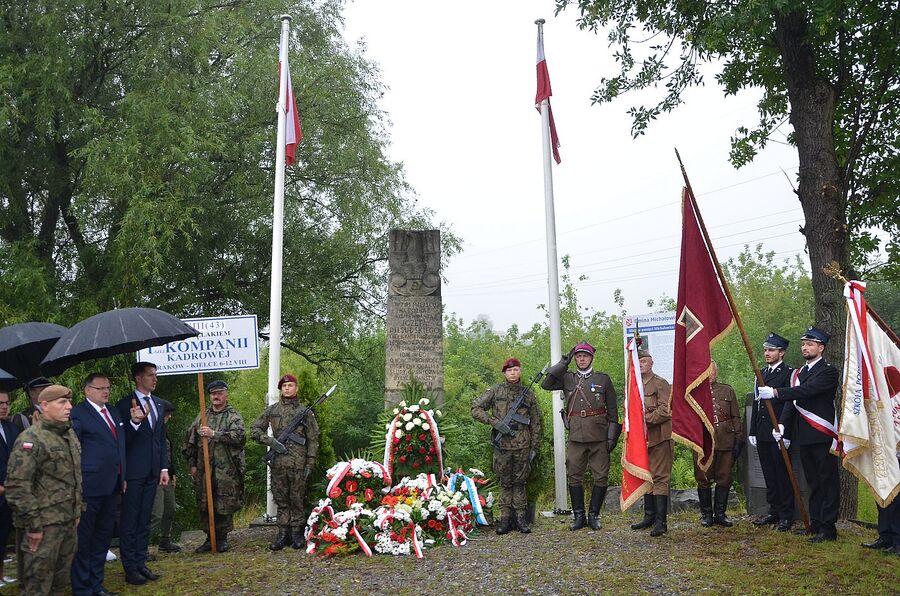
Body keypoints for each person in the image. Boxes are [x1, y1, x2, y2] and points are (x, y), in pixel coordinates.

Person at [758, 326, 841, 542]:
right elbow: (793, 404)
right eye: (804, 344)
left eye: (810, 344)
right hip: (803, 435)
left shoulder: (828, 371)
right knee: (813, 482)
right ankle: (814, 523)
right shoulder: (799, 373)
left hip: (822, 435)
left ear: (821, 348)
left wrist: (776, 392)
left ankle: (828, 529)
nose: (805, 347)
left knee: (827, 482)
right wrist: (783, 427)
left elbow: (807, 391)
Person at [5, 385, 82, 595]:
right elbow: (16, 486)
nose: (69, 407)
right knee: (36, 586)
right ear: (45, 406)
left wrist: (76, 512)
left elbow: (73, 477)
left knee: (60, 582)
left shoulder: (69, 435)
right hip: (42, 527)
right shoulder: (31, 439)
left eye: (69, 402)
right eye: (62, 402)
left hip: (66, 523)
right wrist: (34, 525)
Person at [542, 342, 620, 531]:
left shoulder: (603, 379)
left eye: (585, 356)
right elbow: (546, 384)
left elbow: (613, 411)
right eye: (578, 356)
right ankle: (578, 516)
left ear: (591, 357)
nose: (582, 359)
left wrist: (612, 438)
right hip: (576, 436)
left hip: (599, 435)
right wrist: (563, 363)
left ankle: (593, 515)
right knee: (574, 476)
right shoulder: (567, 378)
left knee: (601, 476)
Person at [472, 357, 543, 534]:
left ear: (520, 372)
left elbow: (536, 421)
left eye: (516, 369)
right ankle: (504, 519)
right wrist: (494, 422)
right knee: (505, 483)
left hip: (522, 445)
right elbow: (476, 408)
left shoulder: (528, 393)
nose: (513, 373)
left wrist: (534, 446)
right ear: (504, 373)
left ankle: (520, 518)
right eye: (509, 370)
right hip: (502, 445)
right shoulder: (495, 391)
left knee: (520, 482)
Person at [70, 373, 126, 596]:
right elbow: (74, 450)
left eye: (108, 387)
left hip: (112, 485)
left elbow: (120, 446)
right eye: (101, 388)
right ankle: (82, 588)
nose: (106, 391)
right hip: (89, 486)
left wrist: (123, 477)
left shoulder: (113, 412)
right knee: (84, 540)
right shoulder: (77, 414)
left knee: (103, 538)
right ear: (87, 390)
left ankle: (97, 584)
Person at [251, 373, 320, 550]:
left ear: (296, 388)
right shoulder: (272, 410)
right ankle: (282, 534)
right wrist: (270, 441)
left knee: (296, 498)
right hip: (278, 463)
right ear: (281, 389)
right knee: (281, 498)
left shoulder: (305, 412)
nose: (287, 388)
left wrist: (310, 462)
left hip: (299, 464)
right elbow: (255, 429)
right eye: (284, 386)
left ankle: (297, 533)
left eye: (290, 385)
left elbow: (313, 439)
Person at [115, 362, 169, 585]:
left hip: (153, 472)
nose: (155, 379)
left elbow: (161, 440)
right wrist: (134, 422)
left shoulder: (158, 403)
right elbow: (120, 439)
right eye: (150, 375)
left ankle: (140, 562)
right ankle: (130, 568)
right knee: (130, 521)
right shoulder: (123, 404)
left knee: (145, 520)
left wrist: (164, 468)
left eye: (156, 375)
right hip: (133, 473)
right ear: (138, 378)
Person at [184, 380, 246, 553]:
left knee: (223, 502)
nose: (216, 396)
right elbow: (190, 440)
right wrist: (192, 465)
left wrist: (214, 434)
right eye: (213, 394)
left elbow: (239, 438)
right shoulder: (203, 415)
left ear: (226, 394)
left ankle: (222, 538)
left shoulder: (233, 416)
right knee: (205, 501)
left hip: (225, 469)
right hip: (205, 469)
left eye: (219, 393)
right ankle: (209, 537)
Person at [749, 332, 796, 531]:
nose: (767, 353)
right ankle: (773, 511)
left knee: (782, 473)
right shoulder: (762, 374)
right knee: (769, 472)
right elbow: (757, 402)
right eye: (766, 350)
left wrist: (784, 429)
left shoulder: (789, 374)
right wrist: (752, 430)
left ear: (781, 353)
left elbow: (790, 403)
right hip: (762, 431)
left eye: (771, 350)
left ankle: (786, 514)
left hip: (779, 431)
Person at [692, 361, 743, 527]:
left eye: (711, 371)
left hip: (726, 440)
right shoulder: (694, 392)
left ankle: (720, 513)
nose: (709, 375)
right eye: (705, 371)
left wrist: (738, 439)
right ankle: (706, 514)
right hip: (703, 442)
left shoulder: (727, 390)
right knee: (703, 477)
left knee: (725, 477)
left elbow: (735, 416)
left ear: (716, 372)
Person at [630, 350, 673, 537]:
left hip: (659, 438)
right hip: (642, 440)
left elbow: (666, 410)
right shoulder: (634, 385)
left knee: (659, 477)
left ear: (651, 363)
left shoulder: (660, 383)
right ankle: (649, 516)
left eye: (644, 361)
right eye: (638, 361)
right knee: (646, 475)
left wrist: (644, 419)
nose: (641, 364)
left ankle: (661, 522)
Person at [151, 399, 180, 554]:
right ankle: (139, 545)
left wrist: (172, 472)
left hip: (166, 475)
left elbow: (168, 453)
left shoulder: (164, 430)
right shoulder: (150, 429)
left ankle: (165, 540)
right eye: (167, 415)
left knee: (170, 508)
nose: (169, 418)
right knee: (156, 512)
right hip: (153, 476)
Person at [0, 389, 21, 588]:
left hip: (11, 491)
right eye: (0, 403)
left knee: (4, 533)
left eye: (6, 403)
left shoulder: (12, 429)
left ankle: (1, 574)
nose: (4, 407)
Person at [861, 453, 900, 555]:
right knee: (882, 495)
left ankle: (898, 542)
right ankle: (886, 536)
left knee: (896, 499)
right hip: (884, 454)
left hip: (896, 453)